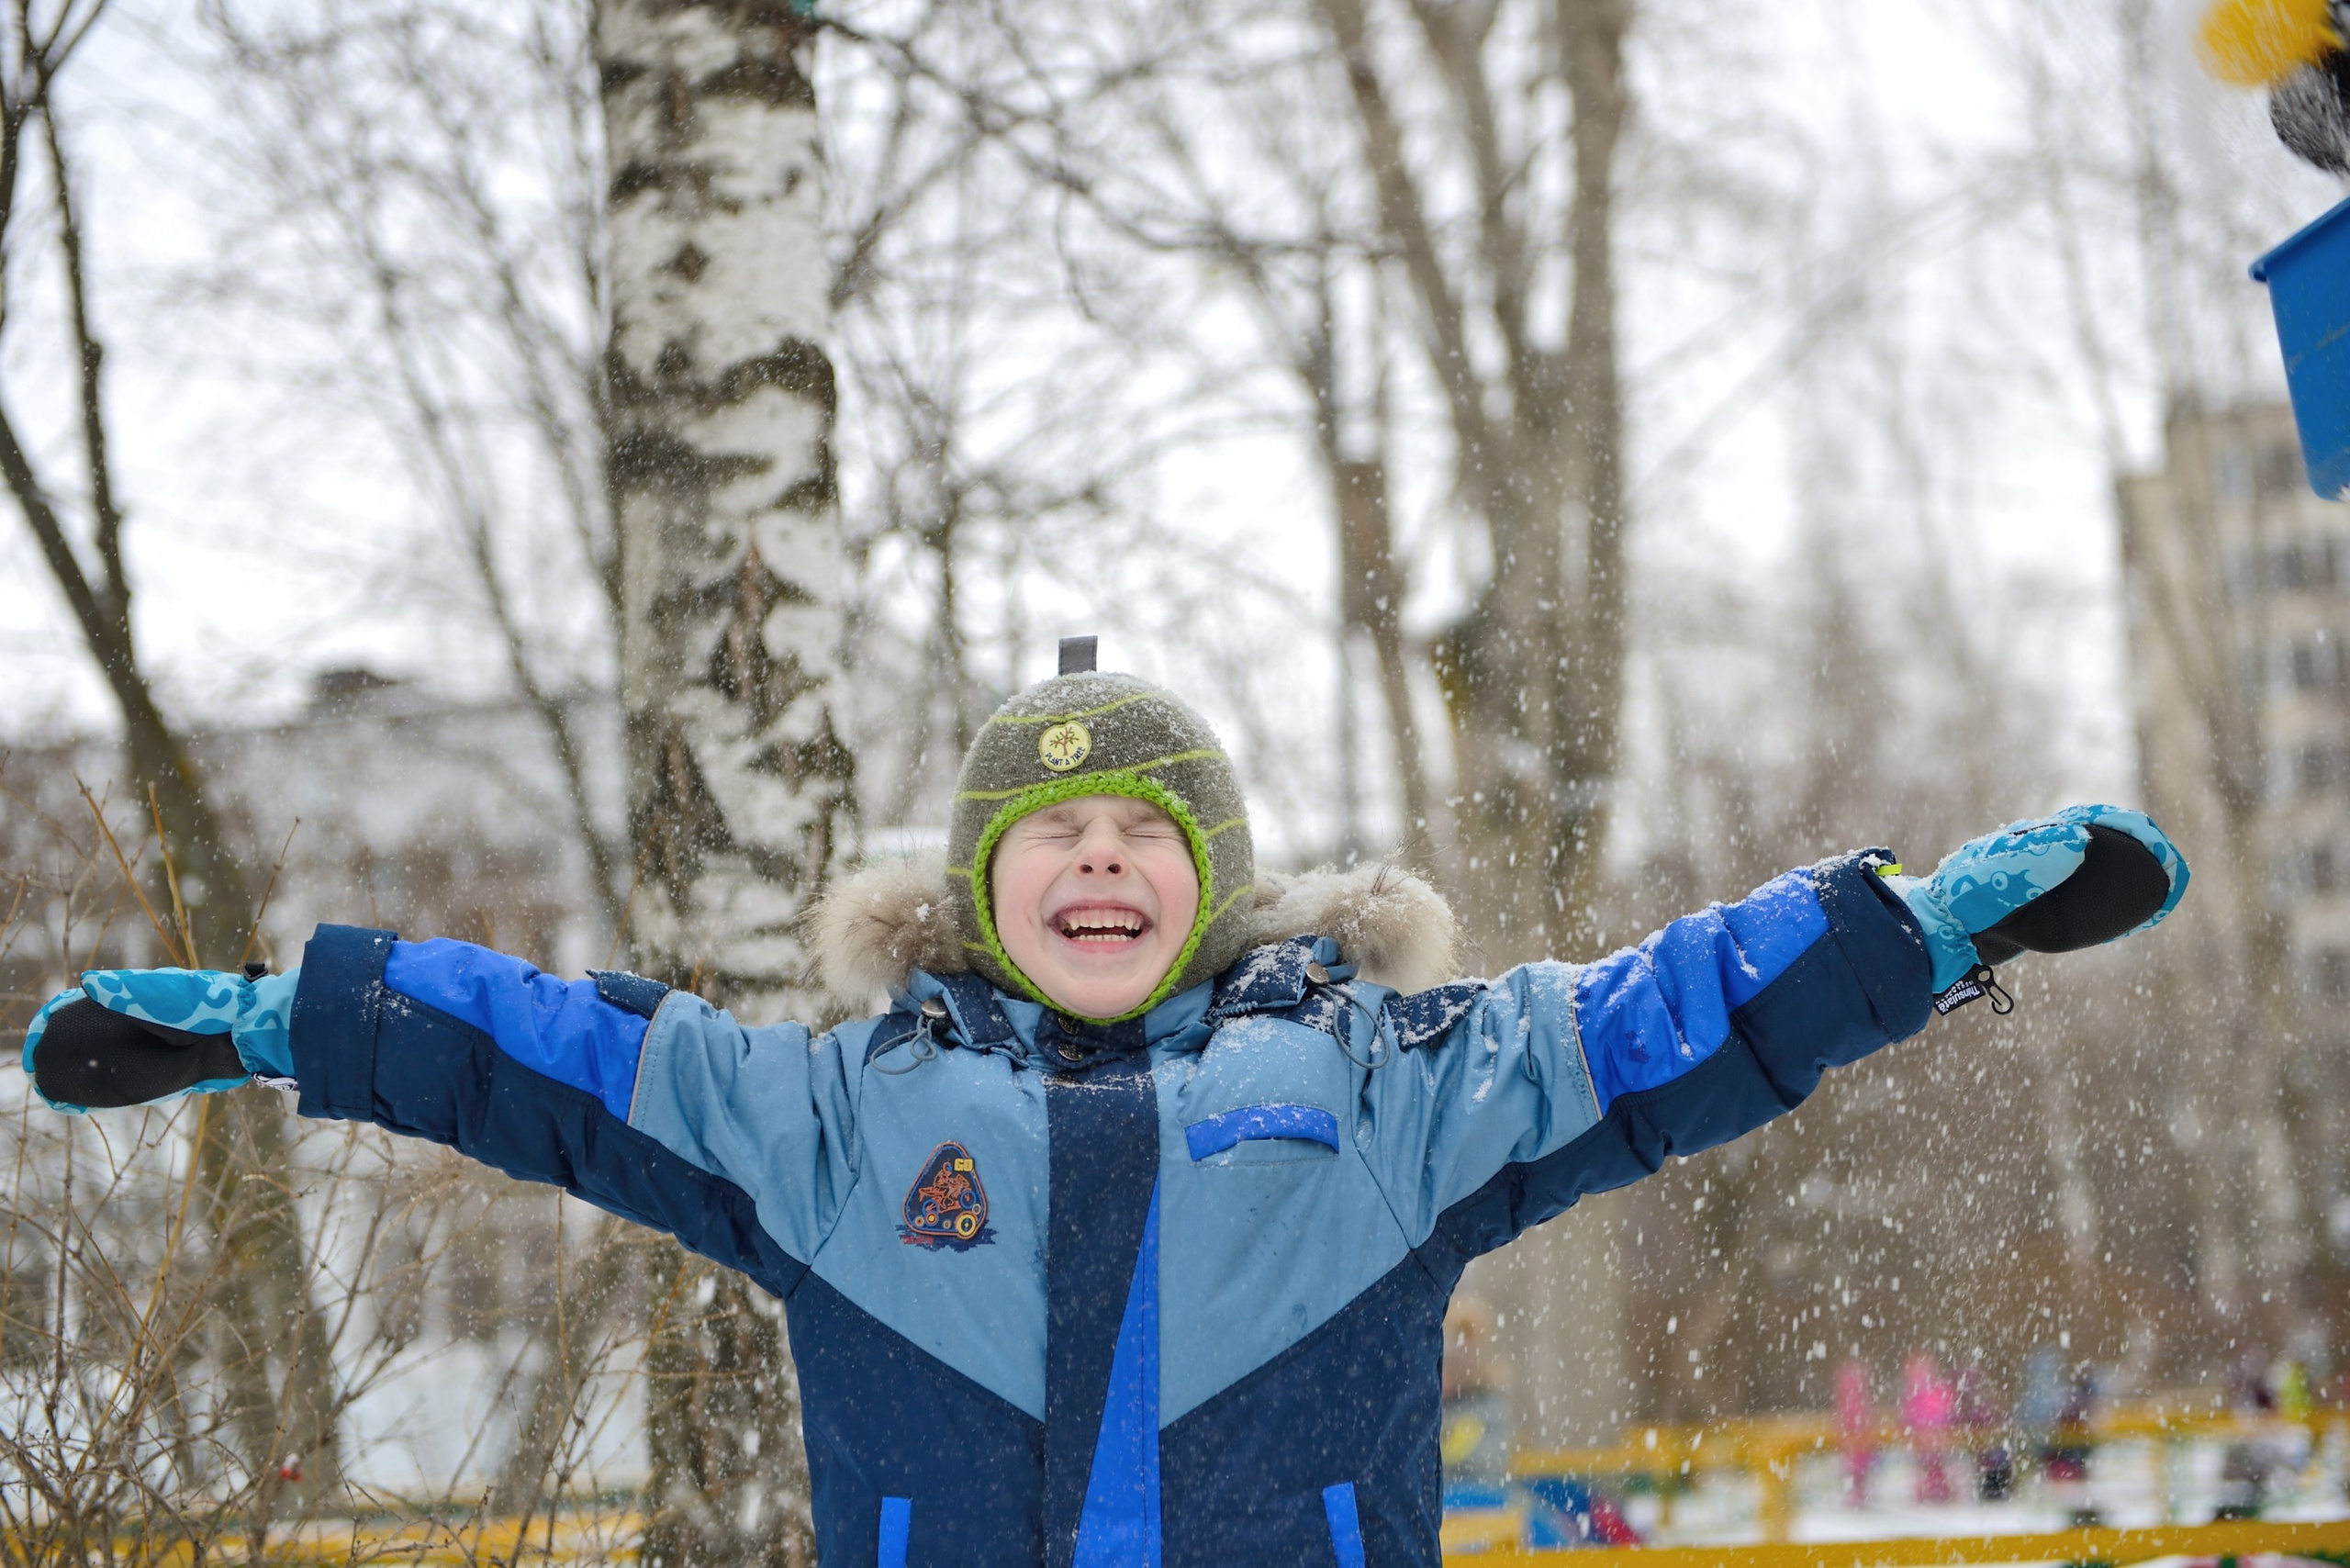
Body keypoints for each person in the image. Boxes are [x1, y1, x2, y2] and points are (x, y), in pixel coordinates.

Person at [20, 650, 2188, 1568]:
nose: (1094, 863)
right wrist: (265, 1019)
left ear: (1206, 874)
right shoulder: (834, 1117)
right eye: (1045, 838)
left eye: (1142, 833)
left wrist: (1920, 921)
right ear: (972, 889)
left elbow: (1648, 1024)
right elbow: (552, 1056)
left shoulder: (1377, 1080)